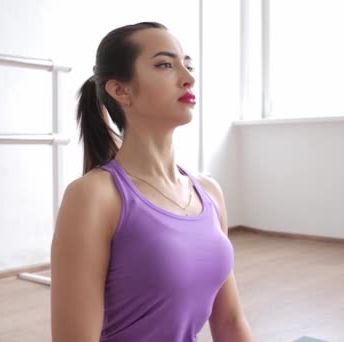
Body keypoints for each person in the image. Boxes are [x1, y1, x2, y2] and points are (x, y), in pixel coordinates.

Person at [50, 22, 253, 342]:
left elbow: (229, 322)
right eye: (164, 65)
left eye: (188, 65)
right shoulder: (94, 196)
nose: (188, 77)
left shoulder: (209, 193)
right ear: (120, 90)